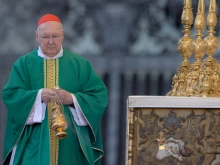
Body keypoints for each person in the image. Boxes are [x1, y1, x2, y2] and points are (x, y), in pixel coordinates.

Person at [2, 14, 108, 165]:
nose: (51, 42)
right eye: (45, 36)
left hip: (71, 143)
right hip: (34, 142)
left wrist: (71, 99)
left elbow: (98, 96)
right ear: (37, 36)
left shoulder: (80, 65)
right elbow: (10, 95)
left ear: (63, 35)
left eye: (55, 36)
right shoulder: (23, 64)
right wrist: (39, 96)